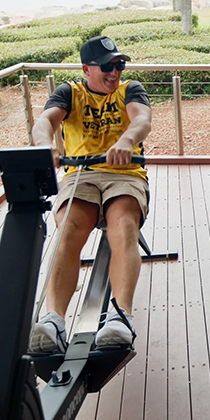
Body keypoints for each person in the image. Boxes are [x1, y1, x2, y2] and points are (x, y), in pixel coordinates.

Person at [29, 36, 152, 352]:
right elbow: (45, 122)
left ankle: (119, 317)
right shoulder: (70, 93)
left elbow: (141, 119)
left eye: (119, 64)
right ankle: (53, 319)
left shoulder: (130, 89)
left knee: (123, 227)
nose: (116, 72)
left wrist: (126, 141)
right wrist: (45, 147)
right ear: (86, 68)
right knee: (69, 230)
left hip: (123, 173)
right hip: (81, 174)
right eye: (108, 66)